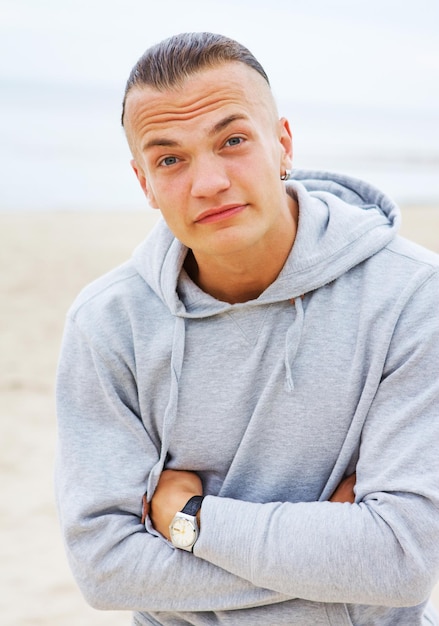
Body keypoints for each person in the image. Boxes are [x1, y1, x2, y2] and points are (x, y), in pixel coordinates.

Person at [55, 32, 439, 625]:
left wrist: (189, 519)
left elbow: (400, 558)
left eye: (232, 141)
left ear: (283, 145)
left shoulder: (411, 296)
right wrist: (334, 559)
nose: (207, 182)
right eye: (170, 159)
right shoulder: (107, 325)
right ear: (144, 184)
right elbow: (105, 568)